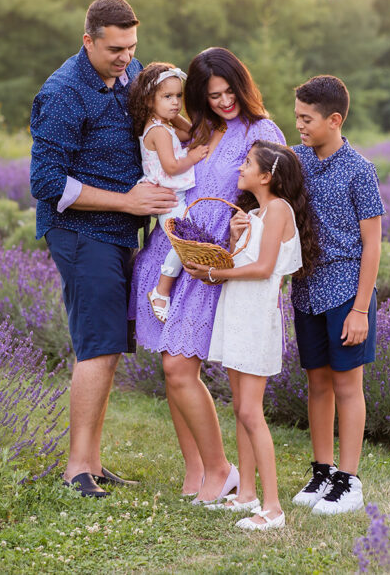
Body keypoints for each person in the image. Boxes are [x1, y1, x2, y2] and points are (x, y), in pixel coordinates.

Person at [29, 0, 177, 499]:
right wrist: (128, 202)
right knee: (97, 344)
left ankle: (92, 460)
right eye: (115, 48)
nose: (125, 58)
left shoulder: (129, 71)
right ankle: (76, 470)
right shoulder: (65, 92)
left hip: (117, 230)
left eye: (132, 47)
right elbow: (47, 182)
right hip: (79, 231)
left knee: (111, 343)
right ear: (87, 40)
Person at [130, 47, 285, 504]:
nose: (223, 102)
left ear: (243, 85)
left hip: (212, 259)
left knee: (180, 367)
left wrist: (247, 223)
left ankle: (222, 470)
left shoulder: (261, 131)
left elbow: (281, 194)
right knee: (170, 366)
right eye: (212, 94)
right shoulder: (198, 126)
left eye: (229, 91)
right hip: (172, 250)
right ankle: (196, 471)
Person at [183, 141, 320, 531]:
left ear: (267, 176)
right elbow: (241, 260)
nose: (240, 169)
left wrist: (212, 274)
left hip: (257, 316)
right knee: (240, 407)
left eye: (247, 164)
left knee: (250, 411)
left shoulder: (278, 209)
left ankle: (273, 508)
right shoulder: (256, 213)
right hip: (237, 312)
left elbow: (263, 270)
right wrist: (232, 236)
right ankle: (246, 494)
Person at [289, 75, 384, 515]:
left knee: (348, 385)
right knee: (317, 383)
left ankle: (349, 480)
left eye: (307, 120)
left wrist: (361, 309)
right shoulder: (295, 161)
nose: (300, 127)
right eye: (296, 118)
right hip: (306, 289)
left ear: (334, 120)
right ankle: (322, 471)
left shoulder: (360, 170)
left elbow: (373, 244)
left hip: (347, 291)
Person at [126, 62, 210, 322]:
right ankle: (161, 291)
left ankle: (163, 289)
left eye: (178, 96)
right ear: (149, 100)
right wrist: (194, 156)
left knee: (187, 238)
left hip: (174, 196)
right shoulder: (159, 131)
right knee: (185, 242)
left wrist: (170, 111)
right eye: (167, 97)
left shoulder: (165, 124)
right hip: (168, 197)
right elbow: (172, 167)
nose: (175, 102)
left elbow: (189, 131)